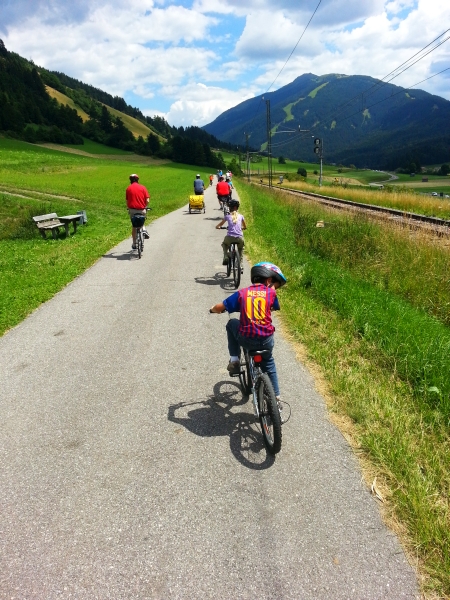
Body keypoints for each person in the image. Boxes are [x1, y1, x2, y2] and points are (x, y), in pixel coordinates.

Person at [209, 262, 287, 414]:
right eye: (274, 284)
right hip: (266, 339)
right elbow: (274, 306)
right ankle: (276, 399)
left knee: (232, 323)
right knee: (269, 363)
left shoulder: (242, 293)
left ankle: (234, 359)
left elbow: (221, 307)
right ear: (269, 281)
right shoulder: (271, 293)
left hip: (247, 339)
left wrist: (212, 310)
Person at [215, 199, 246, 269]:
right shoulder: (241, 216)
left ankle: (226, 256)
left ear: (231, 208)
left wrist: (219, 227)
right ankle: (240, 265)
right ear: (237, 207)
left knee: (224, 244)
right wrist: (242, 228)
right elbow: (245, 226)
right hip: (239, 238)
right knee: (241, 248)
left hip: (229, 238)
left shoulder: (227, 216)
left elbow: (218, 225)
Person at [126, 174, 149, 250]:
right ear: (137, 180)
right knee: (142, 220)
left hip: (132, 210)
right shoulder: (143, 187)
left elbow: (127, 201)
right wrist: (145, 206)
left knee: (134, 226)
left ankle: (134, 243)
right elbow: (147, 200)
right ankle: (144, 230)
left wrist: (129, 208)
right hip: (142, 209)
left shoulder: (128, 188)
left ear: (130, 180)